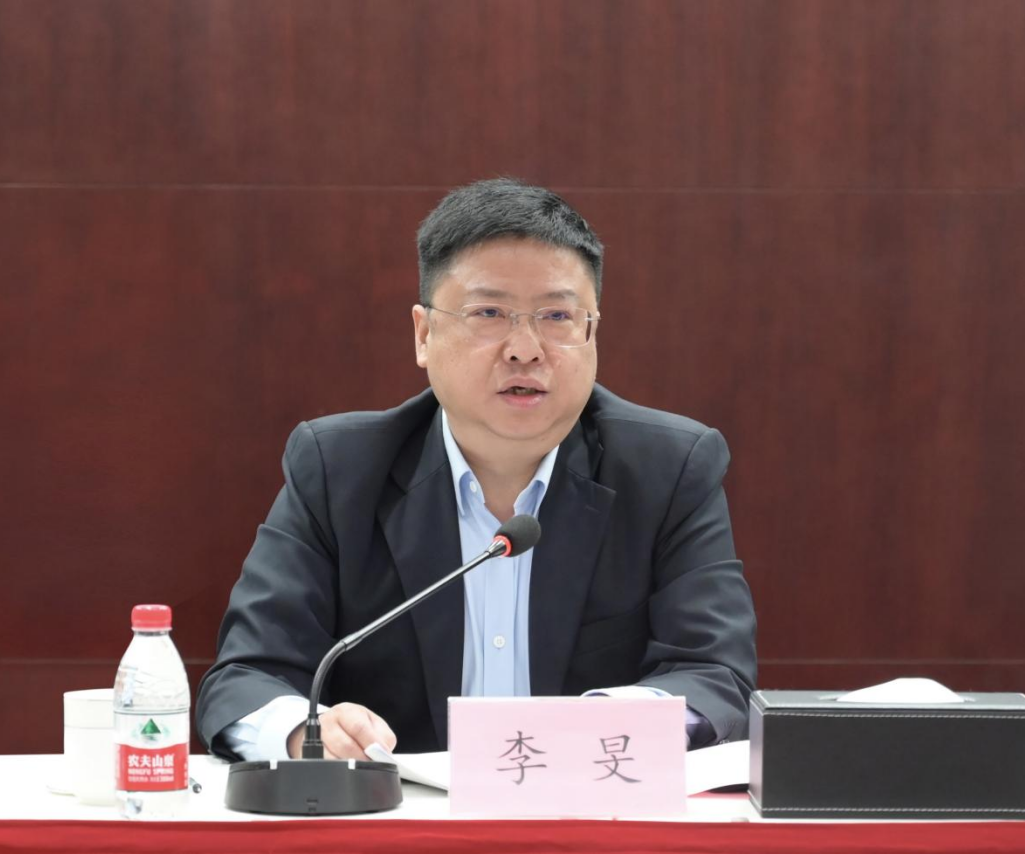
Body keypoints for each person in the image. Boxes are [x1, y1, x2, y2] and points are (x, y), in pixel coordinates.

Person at [196, 178, 756, 761]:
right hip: (397, 811)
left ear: (592, 332)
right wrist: (306, 733)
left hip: (590, 805)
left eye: (557, 315)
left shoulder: (667, 471)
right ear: (424, 334)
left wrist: (601, 727)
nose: (525, 348)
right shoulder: (340, 471)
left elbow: (716, 676)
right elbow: (246, 677)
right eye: (489, 312)